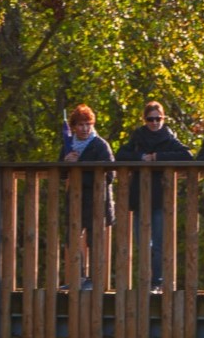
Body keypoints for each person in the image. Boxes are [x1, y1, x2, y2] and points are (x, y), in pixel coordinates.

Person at [115, 101, 192, 289]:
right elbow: (120, 154)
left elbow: (187, 156)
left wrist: (158, 158)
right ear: (145, 120)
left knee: (159, 242)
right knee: (142, 242)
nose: (154, 122)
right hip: (139, 195)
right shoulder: (138, 137)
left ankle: (157, 281)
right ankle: (144, 280)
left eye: (158, 118)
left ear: (163, 119)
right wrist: (141, 158)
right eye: (150, 119)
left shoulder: (169, 138)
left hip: (160, 196)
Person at [60, 104, 113, 287]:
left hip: (97, 200)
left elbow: (110, 174)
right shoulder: (68, 144)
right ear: (74, 126)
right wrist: (66, 162)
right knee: (71, 239)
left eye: (88, 124)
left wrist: (81, 167)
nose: (84, 128)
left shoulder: (100, 144)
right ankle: (78, 277)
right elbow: (61, 174)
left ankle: (94, 280)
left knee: (94, 240)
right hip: (75, 198)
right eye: (81, 125)